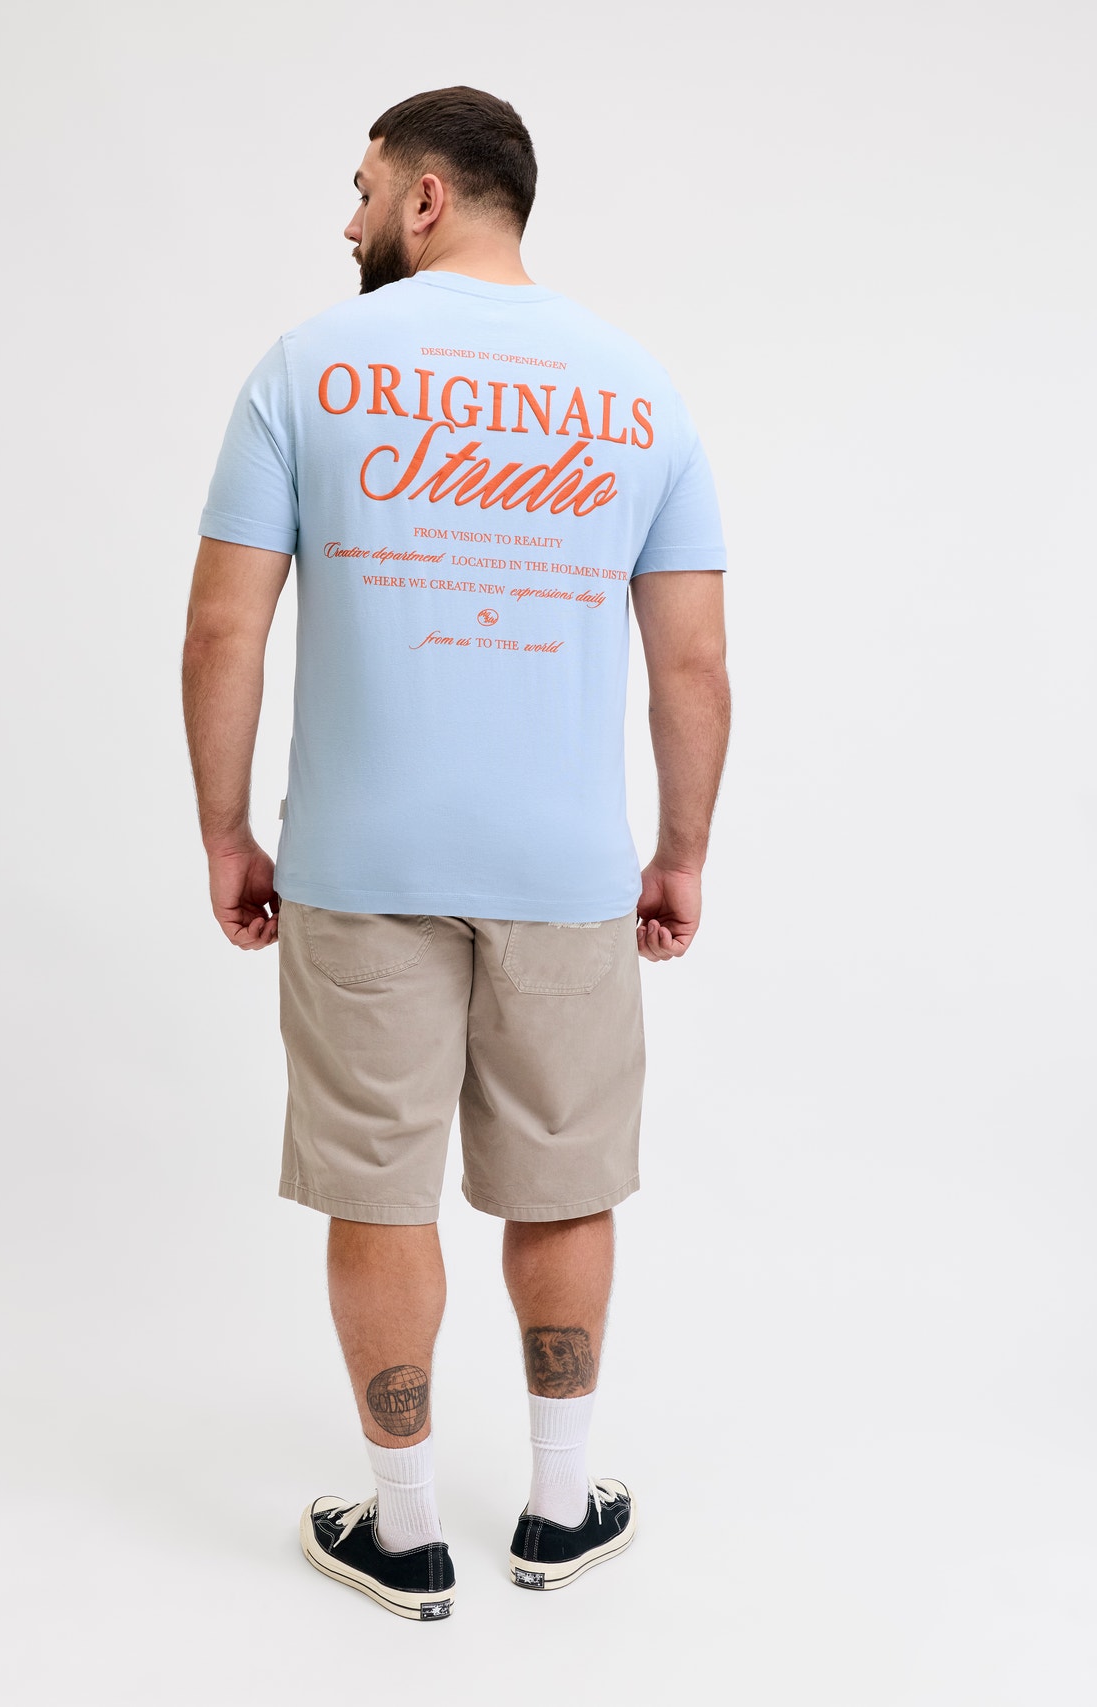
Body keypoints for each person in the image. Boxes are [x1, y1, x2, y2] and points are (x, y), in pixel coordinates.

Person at [182, 85, 731, 1621]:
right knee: (562, 1183)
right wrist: (680, 851)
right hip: (566, 870)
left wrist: (225, 830)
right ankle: (559, 1512)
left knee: (381, 1192)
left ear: (427, 199)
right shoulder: (640, 391)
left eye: (363, 188)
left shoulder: (306, 367)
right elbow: (693, 667)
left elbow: (224, 629)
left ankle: (407, 1531)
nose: (347, 218)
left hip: (358, 865)